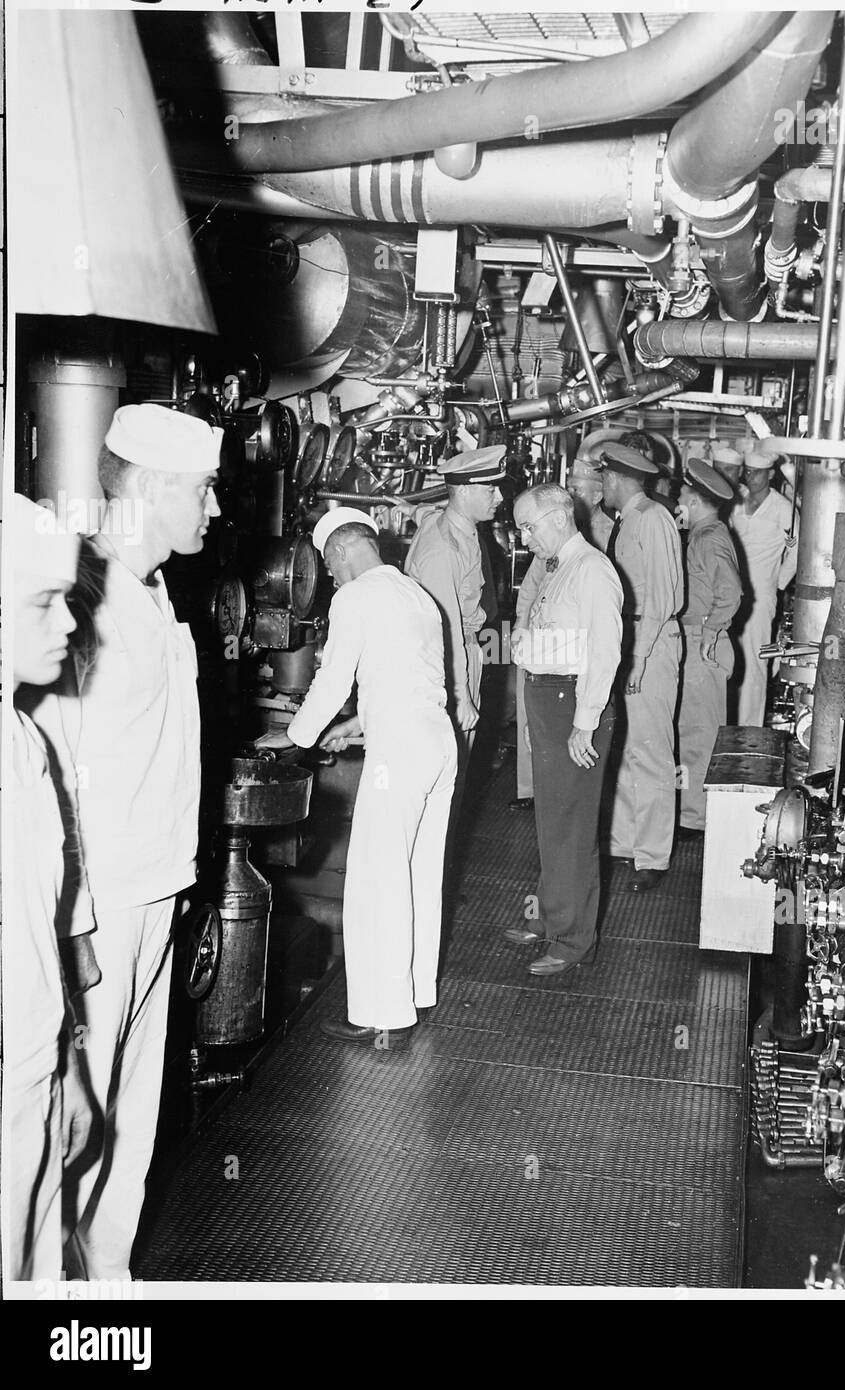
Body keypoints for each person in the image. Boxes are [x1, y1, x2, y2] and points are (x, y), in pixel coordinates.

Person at [30, 403, 222, 1279]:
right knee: (75, 1111)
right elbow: (52, 778)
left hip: (157, 883)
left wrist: (193, 882)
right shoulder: (81, 602)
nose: (214, 510)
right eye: (202, 491)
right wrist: (71, 934)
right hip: (101, 902)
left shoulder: (152, 588)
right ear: (147, 489)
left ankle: (110, 1277)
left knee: (130, 1109)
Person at [257, 508, 456, 1047]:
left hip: (399, 755)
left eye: (327, 565)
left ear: (341, 552)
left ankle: (381, 1014)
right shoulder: (416, 595)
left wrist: (296, 737)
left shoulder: (355, 595)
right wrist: (353, 727)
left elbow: (333, 678)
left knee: (376, 880)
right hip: (436, 745)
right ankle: (413, 993)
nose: (330, 577)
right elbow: (405, 679)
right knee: (418, 874)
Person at [2, 495, 93, 1282]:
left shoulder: (24, 741)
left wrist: (65, 1063)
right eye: (43, 602)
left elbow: (36, 915)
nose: (67, 625)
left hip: (33, 1061)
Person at [508, 486, 622, 974]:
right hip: (549, 700)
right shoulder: (561, 568)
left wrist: (584, 723)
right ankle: (551, 915)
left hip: (573, 706)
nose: (524, 537)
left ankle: (574, 940)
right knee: (551, 819)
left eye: (529, 527)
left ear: (558, 519)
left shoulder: (593, 571)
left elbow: (604, 653)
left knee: (572, 826)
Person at [597, 443, 684, 892]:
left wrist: (640, 658)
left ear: (617, 479)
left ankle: (652, 857)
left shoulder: (653, 519)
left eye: (604, 479)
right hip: (628, 640)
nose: (601, 487)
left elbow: (664, 599)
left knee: (650, 752)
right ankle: (623, 846)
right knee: (625, 747)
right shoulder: (629, 519)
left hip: (650, 644)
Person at [403, 444, 505, 758]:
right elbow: (444, 631)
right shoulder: (444, 550)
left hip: (468, 651)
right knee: (450, 766)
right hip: (448, 664)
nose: (500, 497)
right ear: (461, 492)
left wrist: (408, 508)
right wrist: (461, 696)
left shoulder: (453, 525)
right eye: (491, 489)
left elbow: (426, 515)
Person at [675, 461, 743, 837]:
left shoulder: (709, 537)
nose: (678, 501)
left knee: (699, 738)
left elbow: (730, 593)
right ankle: (691, 813)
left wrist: (711, 632)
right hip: (699, 641)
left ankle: (697, 819)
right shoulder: (706, 532)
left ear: (696, 499)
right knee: (691, 735)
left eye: (683, 495)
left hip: (704, 645)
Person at [731, 440, 798, 726]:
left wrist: (779, 583)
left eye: (756, 472)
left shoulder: (783, 509)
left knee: (755, 661)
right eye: (746, 471)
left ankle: (750, 727)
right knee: (729, 655)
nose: (750, 477)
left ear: (770, 474)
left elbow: (796, 549)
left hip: (761, 592)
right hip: (731, 588)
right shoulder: (735, 500)